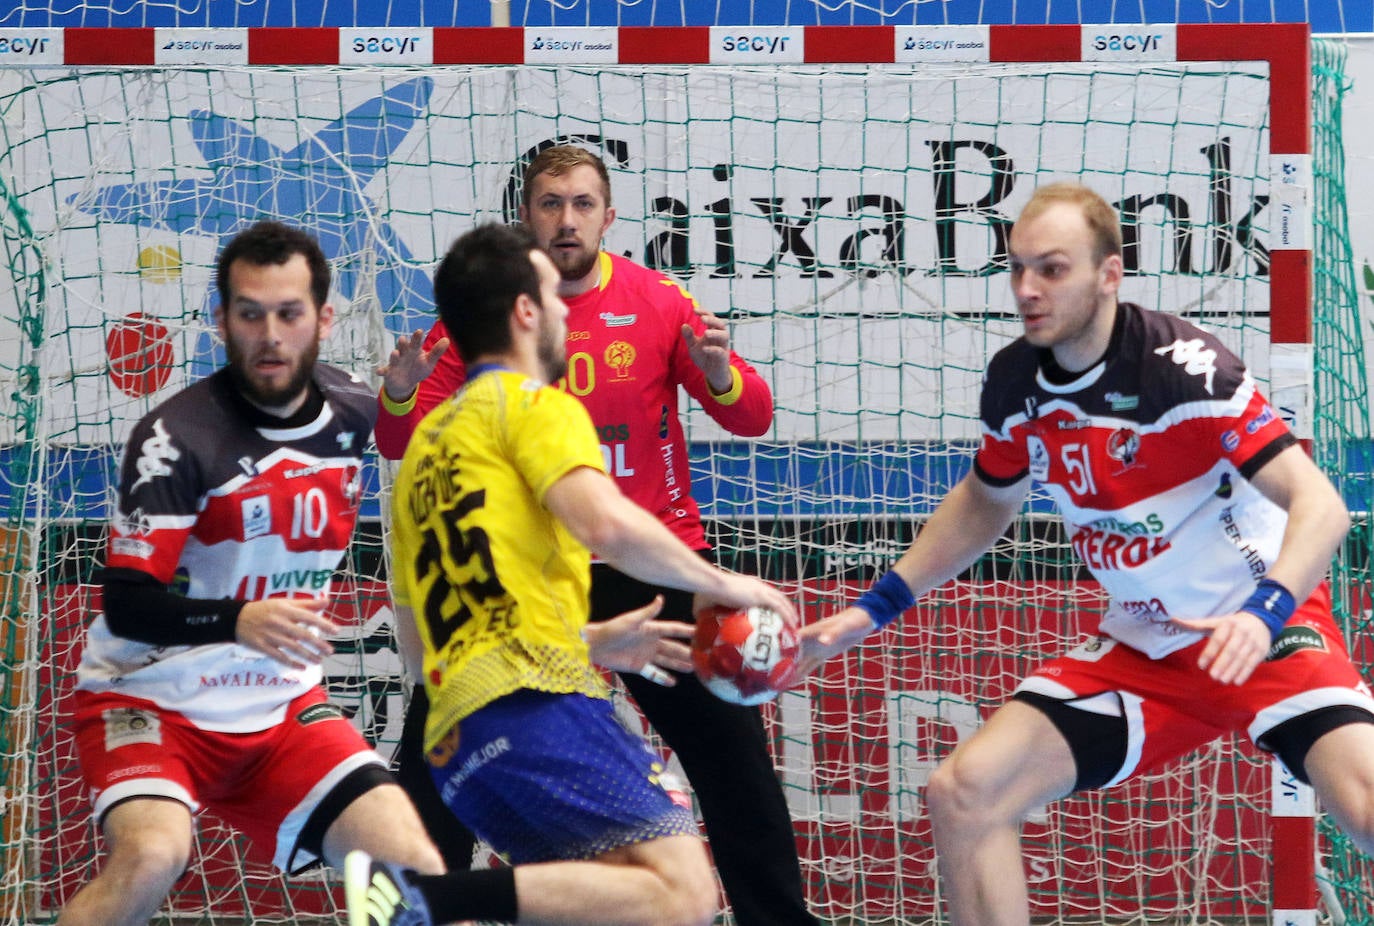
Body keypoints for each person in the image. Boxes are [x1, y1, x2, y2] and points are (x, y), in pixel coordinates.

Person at [795, 181, 1374, 925]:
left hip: (1262, 629)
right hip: (1145, 649)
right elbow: (986, 498)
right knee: (964, 791)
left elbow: (1320, 505)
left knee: (1363, 807)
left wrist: (1264, 616)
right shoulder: (1015, 383)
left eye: (1052, 269)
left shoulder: (1185, 369)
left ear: (1109, 273)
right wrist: (874, 608)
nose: (1028, 290)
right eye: (1017, 269)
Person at [373, 144, 818, 925]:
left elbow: (751, 413)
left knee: (730, 764)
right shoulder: (503, 372)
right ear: (525, 224)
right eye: (551, 203)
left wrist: (717, 372)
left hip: (631, 578)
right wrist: (731, 585)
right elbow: (401, 434)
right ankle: (417, 888)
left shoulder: (657, 302)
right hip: (545, 581)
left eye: (583, 203)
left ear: (609, 217)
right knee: (664, 878)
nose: (567, 219)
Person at [59, 221, 444, 926]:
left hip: (280, 709)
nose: (270, 334)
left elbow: (399, 436)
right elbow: (126, 605)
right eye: (250, 313)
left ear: (324, 319)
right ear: (221, 321)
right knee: (152, 857)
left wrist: (398, 399)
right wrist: (240, 619)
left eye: (289, 313)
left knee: (412, 873)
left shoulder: (353, 408)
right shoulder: (177, 440)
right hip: (152, 701)